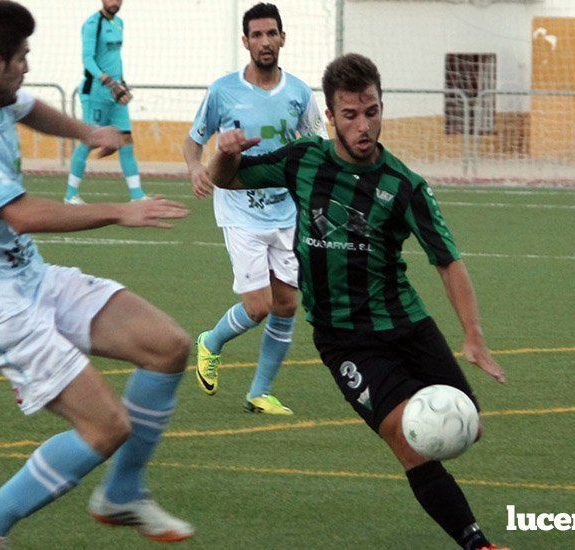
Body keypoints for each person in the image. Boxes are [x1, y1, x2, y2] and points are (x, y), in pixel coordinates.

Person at [205, 53, 508, 550]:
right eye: (350, 114)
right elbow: (226, 178)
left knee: (465, 427)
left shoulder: (404, 185)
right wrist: (225, 151)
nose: (363, 125)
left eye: (371, 111)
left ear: (382, 107)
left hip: (407, 324)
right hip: (345, 338)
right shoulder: (304, 160)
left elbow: (447, 260)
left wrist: (473, 335)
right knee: (411, 441)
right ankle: (476, 542)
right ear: (330, 118)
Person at [0, 2, 194, 546]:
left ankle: (121, 494)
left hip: (30, 278)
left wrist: (89, 131)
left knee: (167, 345)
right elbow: (20, 213)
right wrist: (120, 210)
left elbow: (28, 107)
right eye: (21, 58)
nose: (27, 67)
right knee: (105, 426)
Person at [183, 2, 328, 415]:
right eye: (257, 35)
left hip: (287, 213)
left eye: (272, 33)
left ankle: (259, 393)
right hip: (241, 212)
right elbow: (193, 139)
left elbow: (316, 145)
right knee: (258, 306)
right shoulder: (223, 90)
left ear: (283, 37)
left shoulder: (299, 93)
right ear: (245, 41)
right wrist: (196, 167)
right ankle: (211, 341)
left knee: (286, 304)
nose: (265, 42)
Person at [64, 0, 145, 204]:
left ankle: (137, 196)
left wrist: (122, 83)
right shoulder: (93, 24)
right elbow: (88, 60)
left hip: (116, 94)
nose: (115, 2)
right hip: (97, 93)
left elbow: (115, 59)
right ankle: (70, 194)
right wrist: (107, 81)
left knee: (126, 140)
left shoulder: (119, 23)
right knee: (90, 140)